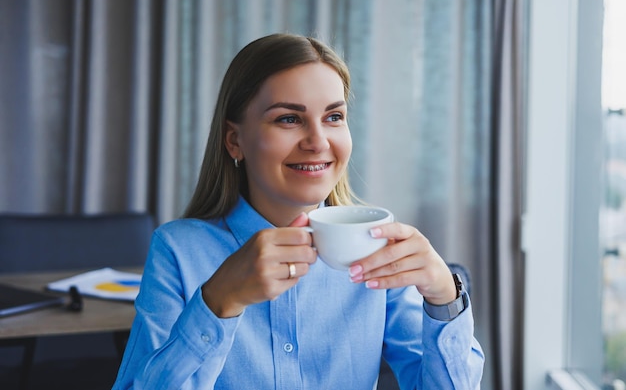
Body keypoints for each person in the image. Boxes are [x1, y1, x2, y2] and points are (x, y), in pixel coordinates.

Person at [112, 33, 484, 389]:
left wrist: (444, 296)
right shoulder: (177, 251)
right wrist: (217, 302)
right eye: (288, 119)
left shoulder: (375, 249)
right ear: (234, 140)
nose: (318, 142)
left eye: (334, 117)